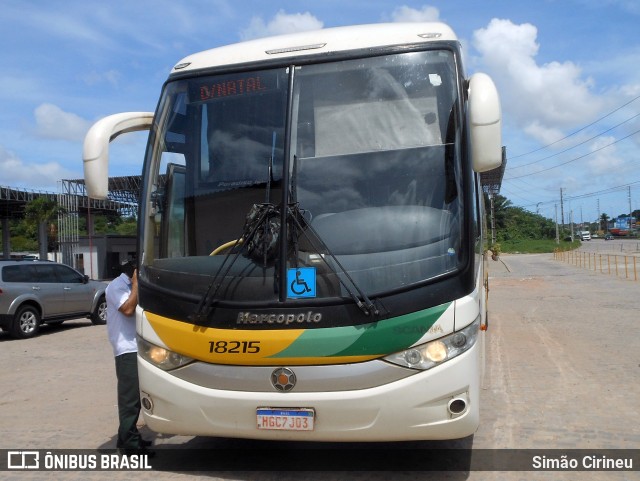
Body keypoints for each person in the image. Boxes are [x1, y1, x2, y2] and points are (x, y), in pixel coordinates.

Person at [105, 260, 152, 453]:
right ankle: (130, 445)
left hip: (137, 348)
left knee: (134, 396)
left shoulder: (128, 286)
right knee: (129, 399)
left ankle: (125, 438)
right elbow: (128, 309)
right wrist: (135, 286)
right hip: (126, 350)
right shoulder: (117, 286)